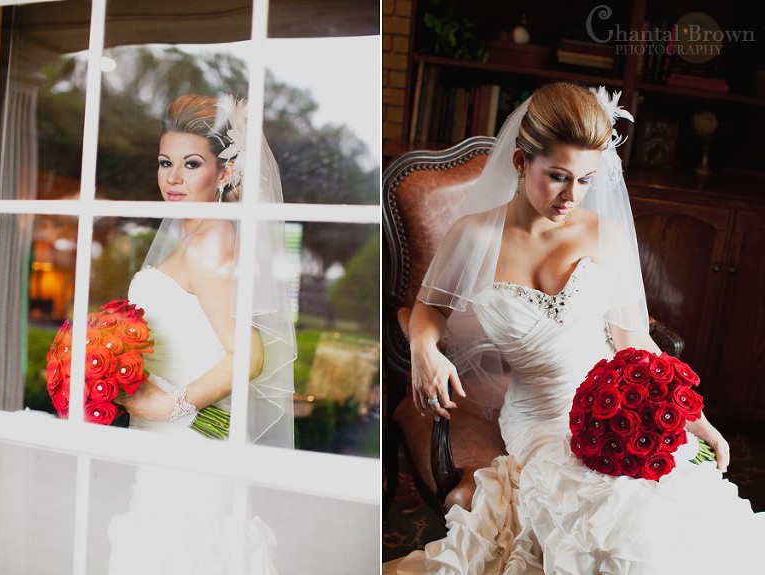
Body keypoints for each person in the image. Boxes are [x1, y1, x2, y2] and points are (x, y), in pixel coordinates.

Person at [389, 82, 765, 574]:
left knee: (661, 515)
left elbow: (635, 343)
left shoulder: (603, 233)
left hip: (620, 406)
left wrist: (696, 418)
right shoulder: (475, 234)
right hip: (539, 418)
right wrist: (424, 349)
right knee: (595, 513)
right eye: (558, 176)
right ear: (521, 162)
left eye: (586, 179)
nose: (572, 195)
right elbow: (428, 309)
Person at [108, 94, 296, 574]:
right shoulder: (189, 234)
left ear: (225, 173)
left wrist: (171, 406)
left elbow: (248, 357)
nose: (173, 178)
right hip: (164, 439)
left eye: (191, 164)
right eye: (165, 163)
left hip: (187, 439)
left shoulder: (212, 239)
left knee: (182, 551)